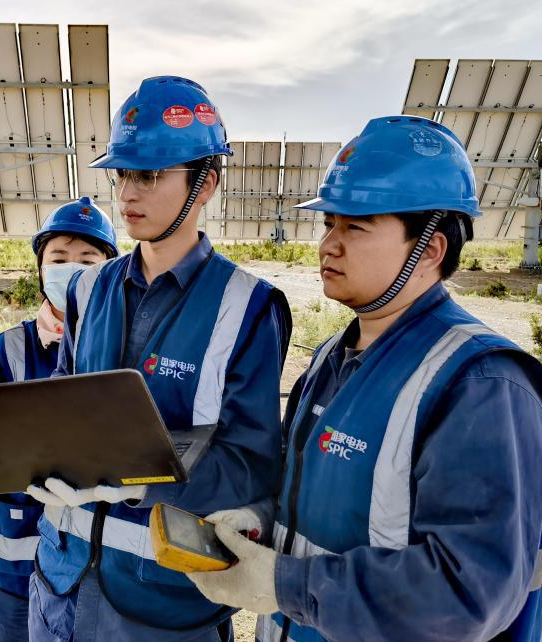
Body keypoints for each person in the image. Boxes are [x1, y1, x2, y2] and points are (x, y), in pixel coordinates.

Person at [187, 115, 542, 642]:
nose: (328, 244)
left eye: (355, 227)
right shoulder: (334, 355)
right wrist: (260, 518)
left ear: (431, 249)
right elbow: (319, 495)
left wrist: (288, 585)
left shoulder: (480, 384)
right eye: (329, 223)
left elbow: (468, 593)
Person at [22, 76, 292, 641]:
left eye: (149, 176)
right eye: (122, 175)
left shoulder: (248, 308)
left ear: (206, 183)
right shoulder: (87, 291)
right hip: (61, 586)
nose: (126, 195)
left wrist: (145, 480)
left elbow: (251, 466)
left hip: (163, 606)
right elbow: (62, 409)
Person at [0, 197, 118, 642]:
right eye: (58, 258)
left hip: (98, 572)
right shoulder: (5, 351)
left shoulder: (124, 353)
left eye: (88, 259)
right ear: (40, 267)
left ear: (110, 269)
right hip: (15, 568)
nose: (72, 270)